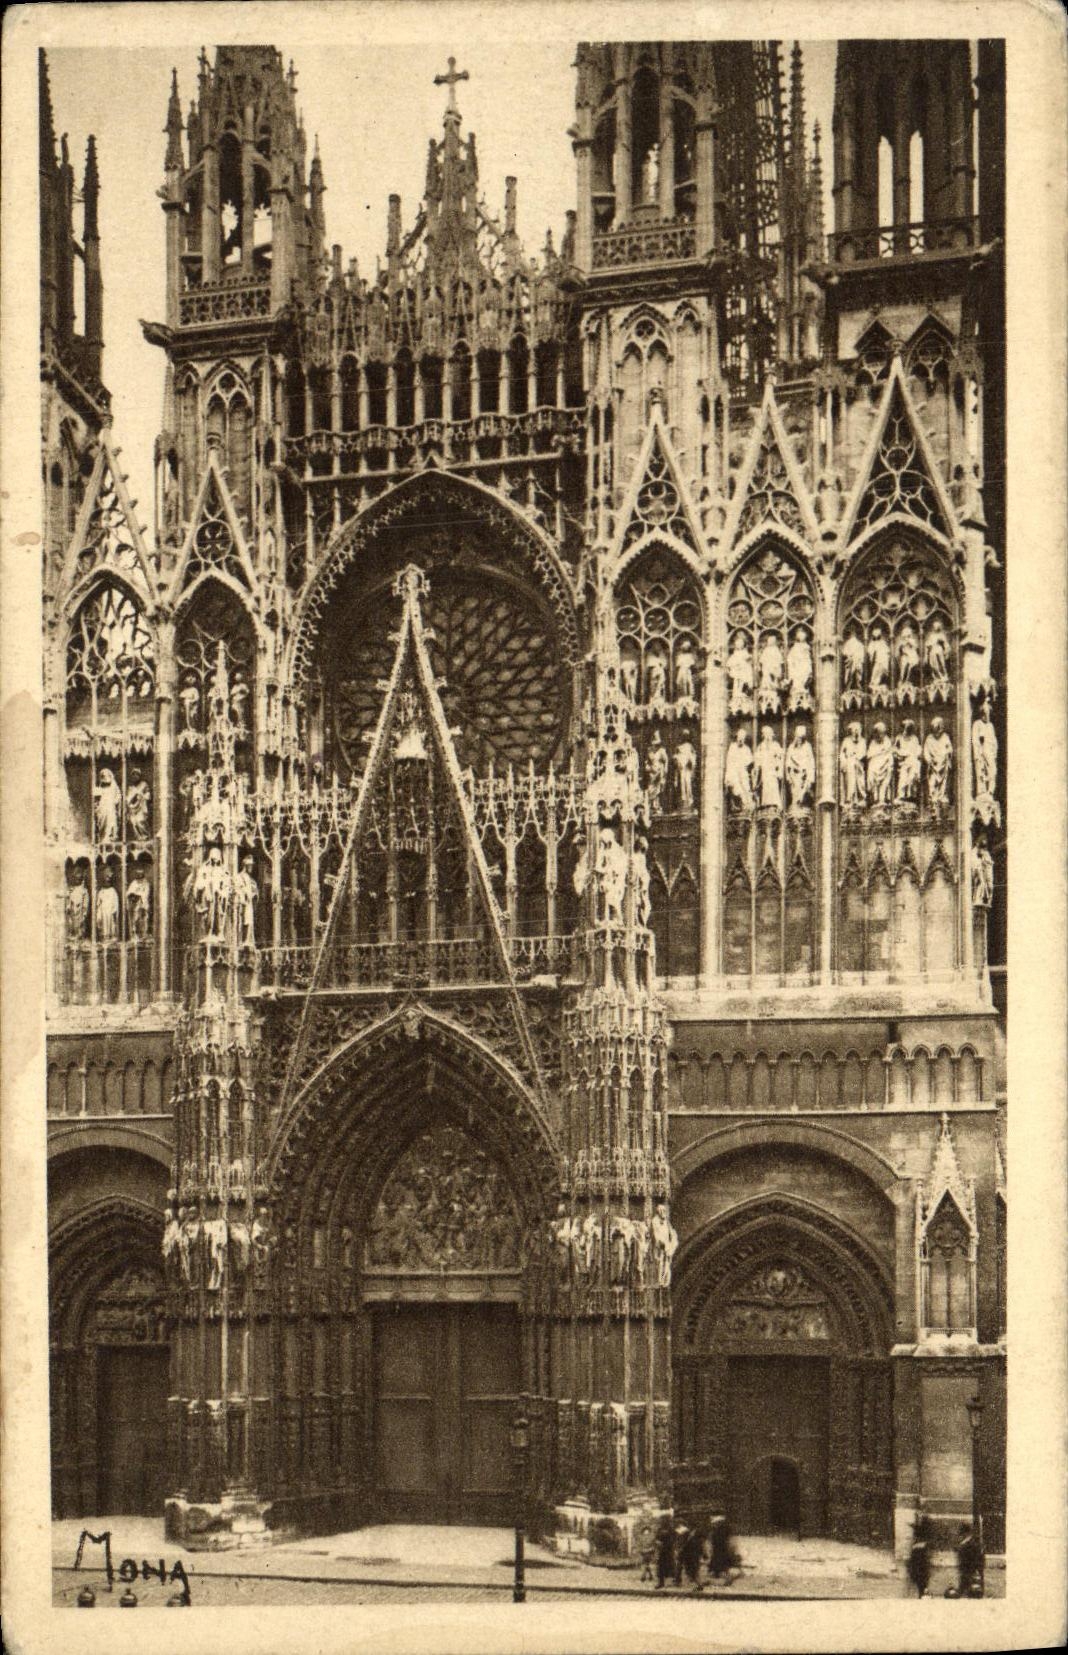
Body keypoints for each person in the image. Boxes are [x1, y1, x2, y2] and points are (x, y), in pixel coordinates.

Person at [907, 1515, 932, 1597]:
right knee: (922, 1591)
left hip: (919, 1575)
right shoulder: (924, 1547)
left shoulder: (917, 1549)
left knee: (921, 1592)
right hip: (923, 1575)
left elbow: (915, 1564)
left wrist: (911, 1573)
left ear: (917, 1537)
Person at [655, 1515, 676, 1589]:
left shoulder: (671, 1529)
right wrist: (657, 1542)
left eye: (663, 1520)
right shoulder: (660, 1529)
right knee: (660, 1566)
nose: (662, 1522)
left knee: (670, 1566)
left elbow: (673, 1540)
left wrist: (665, 1544)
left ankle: (676, 1580)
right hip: (661, 1551)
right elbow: (656, 1537)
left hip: (668, 1551)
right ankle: (661, 1583)